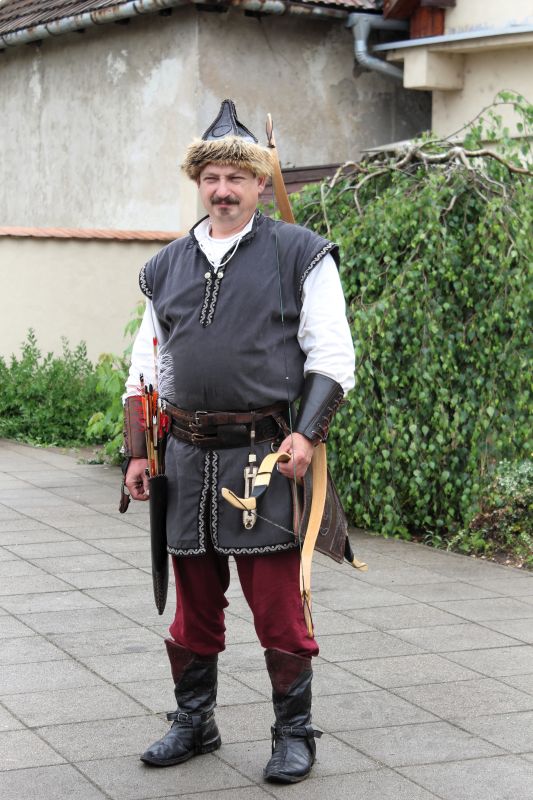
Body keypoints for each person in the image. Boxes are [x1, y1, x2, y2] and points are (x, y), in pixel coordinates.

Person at [122, 99, 355, 784]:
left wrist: (306, 435)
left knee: (278, 608)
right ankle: (195, 722)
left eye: (236, 178)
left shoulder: (300, 253)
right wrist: (138, 450)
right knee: (192, 604)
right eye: (211, 178)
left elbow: (332, 355)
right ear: (198, 182)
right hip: (184, 457)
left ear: (259, 183)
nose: (222, 190)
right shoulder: (165, 266)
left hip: (264, 458)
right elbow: (145, 365)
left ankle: (295, 733)